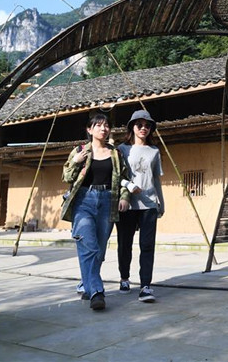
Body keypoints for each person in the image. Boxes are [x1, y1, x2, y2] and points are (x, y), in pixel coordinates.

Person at [61, 113, 130, 311]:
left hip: (108, 201)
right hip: (84, 200)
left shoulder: (116, 154)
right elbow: (66, 177)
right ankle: (97, 292)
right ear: (89, 130)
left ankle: (87, 285)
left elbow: (124, 178)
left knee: (98, 251)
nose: (103, 128)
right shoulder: (80, 151)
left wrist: (125, 197)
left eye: (106, 125)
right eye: (98, 125)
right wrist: (76, 161)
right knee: (88, 245)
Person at [116, 110, 165, 303]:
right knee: (124, 244)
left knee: (147, 245)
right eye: (139, 125)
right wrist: (127, 187)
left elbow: (156, 179)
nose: (143, 128)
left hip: (149, 204)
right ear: (132, 127)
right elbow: (116, 176)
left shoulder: (154, 151)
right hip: (127, 203)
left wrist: (161, 201)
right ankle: (124, 278)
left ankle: (145, 286)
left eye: (147, 125)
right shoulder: (122, 149)